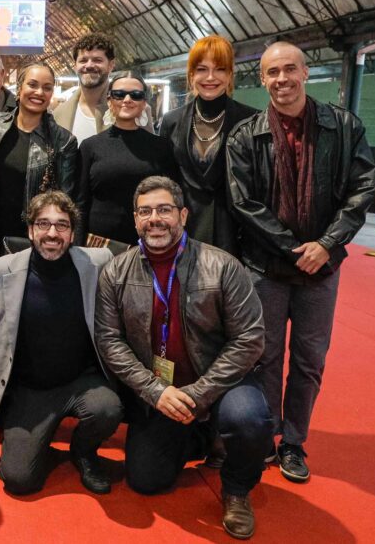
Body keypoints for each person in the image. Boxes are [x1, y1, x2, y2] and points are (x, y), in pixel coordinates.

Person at [227, 41, 375, 483]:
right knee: (265, 356)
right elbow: (244, 202)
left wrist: (326, 244)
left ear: (306, 73)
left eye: (290, 69)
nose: (282, 79)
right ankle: (266, 435)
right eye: (272, 72)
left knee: (310, 358)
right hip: (266, 267)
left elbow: (363, 187)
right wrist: (294, 248)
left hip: (322, 268)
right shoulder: (246, 136)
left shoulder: (343, 126)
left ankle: (294, 441)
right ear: (262, 79)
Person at [96, 176, 271, 540]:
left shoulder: (222, 266)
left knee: (248, 419)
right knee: (146, 480)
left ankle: (237, 489)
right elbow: (109, 341)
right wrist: (155, 390)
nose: (154, 219)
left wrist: (199, 393)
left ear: (184, 215)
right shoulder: (115, 272)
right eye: (145, 211)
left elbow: (250, 339)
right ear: (135, 219)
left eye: (164, 210)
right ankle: (204, 436)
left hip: (221, 383)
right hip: (162, 391)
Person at [0, 191, 120, 496]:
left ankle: (83, 452)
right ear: (31, 231)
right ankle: (37, 442)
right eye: (43, 224)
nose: (52, 233)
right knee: (19, 480)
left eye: (61, 225)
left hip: (81, 381)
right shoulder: (0, 269)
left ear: (72, 233)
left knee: (108, 409)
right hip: (30, 389)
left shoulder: (97, 263)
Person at [159, 36, 257, 256]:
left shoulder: (250, 120)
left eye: (220, 69)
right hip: (184, 232)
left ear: (230, 75)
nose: (210, 77)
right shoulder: (171, 121)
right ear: (191, 75)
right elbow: (166, 181)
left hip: (234, 235)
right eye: (202, 69)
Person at [76, 72, 179, 248]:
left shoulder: (161, 147)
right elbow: (80, 202)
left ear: (144, 103)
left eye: (136, 95)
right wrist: (76, 247)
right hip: (98, 247)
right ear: (109, 100)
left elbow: (172, 199)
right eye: (119, 94)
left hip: (149, 245)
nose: (127, 100)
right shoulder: (90, 146)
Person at [0, 63, 79, 239]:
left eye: (47, 88)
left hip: (36, 237)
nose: (39, 92)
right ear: (19, 89)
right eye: (32, 85)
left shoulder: (63, 141)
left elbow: (65, 199)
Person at [52, 33, 116, 144]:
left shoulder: (126, 110)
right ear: (75, 66)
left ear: (111, 65)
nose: (89, 65)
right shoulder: (59, 115)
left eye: (97, 60)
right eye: (83, 60)